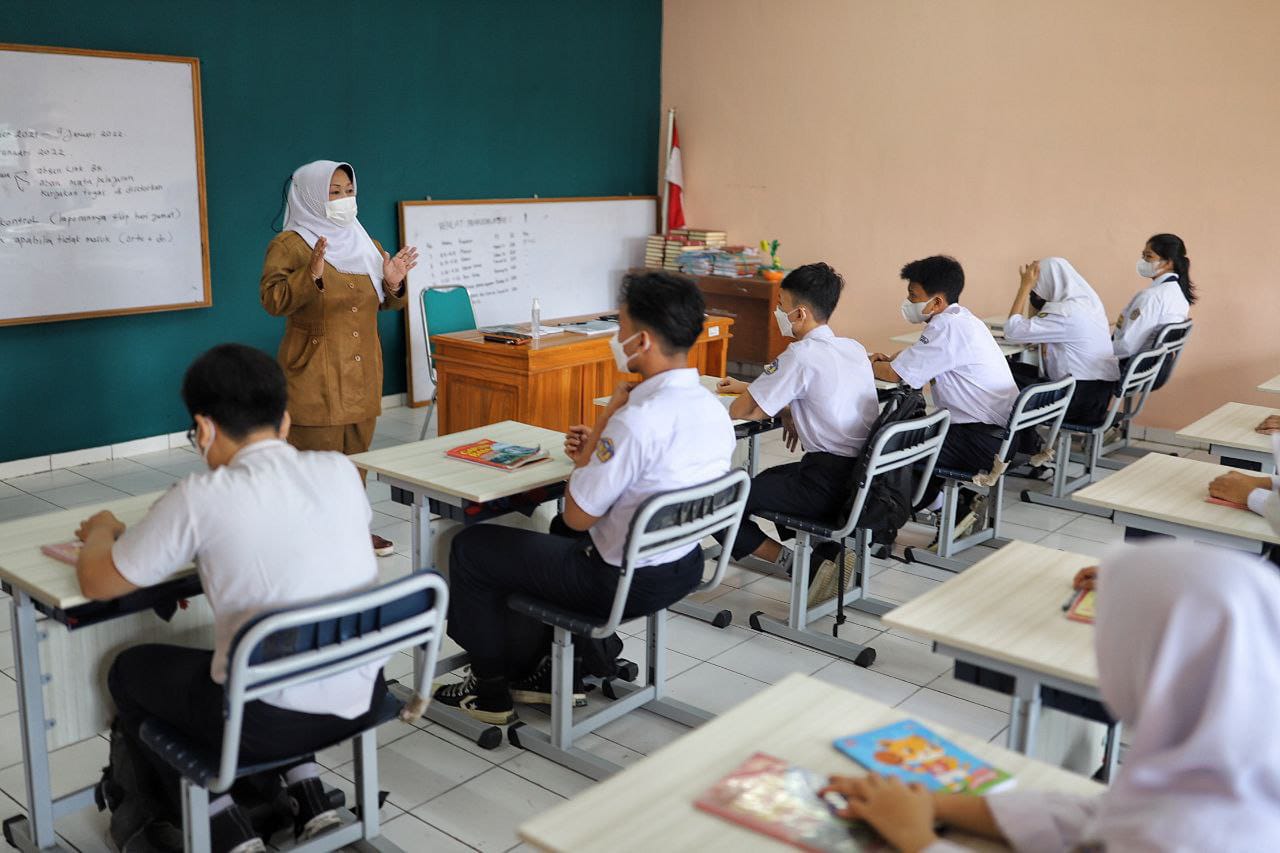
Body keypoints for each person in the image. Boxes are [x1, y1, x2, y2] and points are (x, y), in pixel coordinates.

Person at [76, 344, 388, 853]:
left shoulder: (199, 496)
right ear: (285, 421)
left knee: (128, 672)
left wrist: (101, 530)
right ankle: (311, 800)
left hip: (263, 723)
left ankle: (227, 831)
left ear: (203, 428)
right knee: (278, 655)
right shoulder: (339, 471)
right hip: (362, 697)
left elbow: (97, 583)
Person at [820, 539, 1280, 852]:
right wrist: (933, 802)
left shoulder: (1191, 833)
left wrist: (917, 837)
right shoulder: (1225, 773)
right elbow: (1095, 817)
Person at [432, 271, 735, 724]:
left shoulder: (637, 419)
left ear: (643, 341)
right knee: (552, 533)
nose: (617, 338)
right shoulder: (711, 407)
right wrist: (598, 445)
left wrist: (604, 428)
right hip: (683, 566)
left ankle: (490, 692)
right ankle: (557, 670)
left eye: (621, 328)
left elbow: (577, 516)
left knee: (472, 548)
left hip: (617, 583)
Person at [260, 160, 417, 557]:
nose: (345, 199)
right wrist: (310, 275)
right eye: (334, 192)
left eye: (349, 190)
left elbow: (384, 303)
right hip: (313, 373)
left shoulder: (364, 241)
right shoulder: (290, 244)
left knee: (354, 461)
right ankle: (307, 539)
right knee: (315, 465)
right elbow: (272, 301)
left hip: (362, 373)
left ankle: (354, 530)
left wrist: (392, 283)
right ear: (311, 195)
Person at [715, 262, 880, 606]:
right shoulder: (852, 348)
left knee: (717, 501)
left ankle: (801, 566)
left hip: (825, 484)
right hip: (860, 480)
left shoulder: (800, 355)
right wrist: (788, 407)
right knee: (767, 480)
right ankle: (826, 557)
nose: (778, 312)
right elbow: (817, 395)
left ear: (800, 313)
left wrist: (769, 399)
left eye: (781, 305)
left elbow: (743, 411)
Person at [871, 256, 1019, 529]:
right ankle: (954, 507)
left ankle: (923, 514)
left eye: (913, 296)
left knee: (892, 447)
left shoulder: (945, 326)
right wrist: (897, 360)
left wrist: (868, 364)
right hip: (1000, 435)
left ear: (937, 302)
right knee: (915, 435)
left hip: (981, 441)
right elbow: (925, 357)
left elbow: (895, 375)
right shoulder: (962, 319)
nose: (908, 302)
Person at [1002, 257, 1120, 426]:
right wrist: (1032, 293)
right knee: (1008, 369)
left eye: (1037, 285)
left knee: (999, 376)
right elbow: (1033, 324)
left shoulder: (1066, 312)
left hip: (1076, 400)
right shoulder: (1088, 303)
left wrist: (1024, 287)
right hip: (1095, 396)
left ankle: (1010, 436)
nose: (1036, 291)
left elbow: (1012, 332)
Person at [1112, 233, 1195, 361]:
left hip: (1128, 364)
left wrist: (1097, 348)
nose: (1143, 261)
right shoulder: (1178, 294)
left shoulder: (1151, 297)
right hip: (1153, 366)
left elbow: (1126, 348)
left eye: (1149, 256)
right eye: (1143, 256)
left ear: (1168, 263)